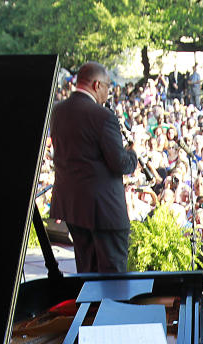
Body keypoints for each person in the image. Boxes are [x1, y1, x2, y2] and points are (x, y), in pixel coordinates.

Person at [48, 62, 138, 273]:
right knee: (113, 279)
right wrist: (133, 151)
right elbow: (121, 163)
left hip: (73, 207)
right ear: (97, 85)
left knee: (87, 274)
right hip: (104, 211)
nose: (109, 92)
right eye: (108, 86)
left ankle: (91, 307)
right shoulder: (103, 116)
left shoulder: (58, 111)